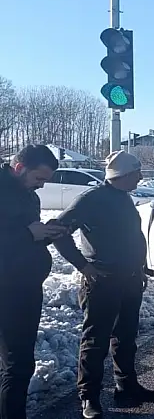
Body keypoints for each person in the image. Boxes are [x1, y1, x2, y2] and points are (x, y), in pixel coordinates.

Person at [53, 151, 154, 419]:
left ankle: (126, 386)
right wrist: (83, 266)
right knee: (95, 340)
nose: (141, 177)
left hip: (130, 279)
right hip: (101, 280)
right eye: (137, 173)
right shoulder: (91, 199)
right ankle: (88, 397)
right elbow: (59, 232)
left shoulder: (124, 198)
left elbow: (132, 238)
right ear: (123, 176)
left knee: (126, 337)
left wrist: (140, 269)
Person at [0, 145, 64, 419]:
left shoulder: (27, 195)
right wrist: (28, 234)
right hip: (8, 291)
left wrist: (46, 233)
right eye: (38, 178)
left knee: (17, 363)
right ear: (18, 168)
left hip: (26, 288)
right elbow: (18, 236)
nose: (41, 186)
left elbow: (26, 235)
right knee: (19, 365)